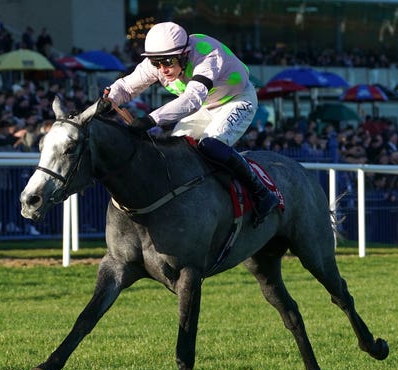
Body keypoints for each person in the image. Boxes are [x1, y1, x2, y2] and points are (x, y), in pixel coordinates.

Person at [103, 22, 278, 226]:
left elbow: (192, 99)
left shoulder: (208, 55)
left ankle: (262, 192)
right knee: (177, 151)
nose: (162, 69)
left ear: (185, 54)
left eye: (168, 61)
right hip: (206, 105)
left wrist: (150, 119)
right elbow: (126, 86)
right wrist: (107, 100)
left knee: (211, 144)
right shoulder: (160, 63)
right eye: (155, 62)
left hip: (238, 100)